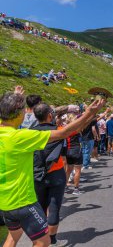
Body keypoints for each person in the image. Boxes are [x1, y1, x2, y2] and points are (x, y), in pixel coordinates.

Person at [0, 86, 105, 247]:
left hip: (5, 203)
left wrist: (16, 97)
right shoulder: (20, 137)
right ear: (18, 113)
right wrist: (90, 113)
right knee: (43, 241)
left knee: (13, 236)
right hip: (23, 202)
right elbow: (63, 133)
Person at [31, 103, 67, 247]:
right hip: (56, 174)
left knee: (39, 207)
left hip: (37, 174)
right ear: (50, 116)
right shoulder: (59, 131)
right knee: (54, 207)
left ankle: (39, 240)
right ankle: (52, 241)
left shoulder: (29, 132)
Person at [65, 114, 84, 196]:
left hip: (68, 150)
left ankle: (65, 186)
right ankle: (76, 189)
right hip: (76, 150)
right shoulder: (76, 129)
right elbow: (84, 122)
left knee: (68, 170)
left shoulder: (65, 128)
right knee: (77, 170)